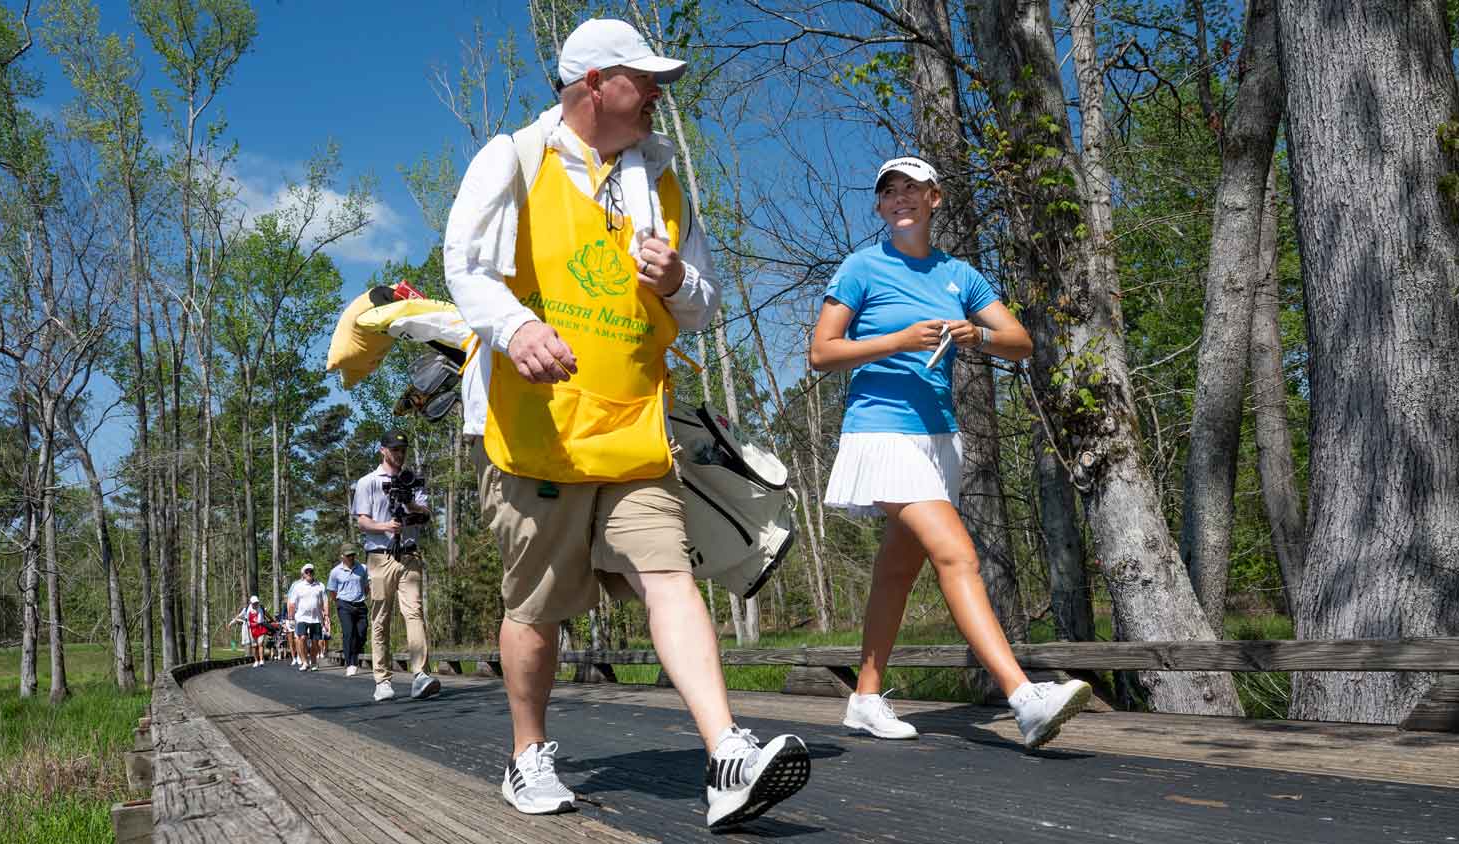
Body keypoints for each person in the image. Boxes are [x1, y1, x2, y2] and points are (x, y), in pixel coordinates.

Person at [443, 18, 809, 830]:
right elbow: (462, 264)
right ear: (592, 84)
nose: (657, 96)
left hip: (635, 431)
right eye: (644, 81)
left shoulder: (662, 181)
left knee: (667, 577)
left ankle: (727, 755)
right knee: (536, 609)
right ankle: (527, 755)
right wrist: (517, 329)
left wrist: (679, 278)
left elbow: (704, 306)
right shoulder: (514, 157)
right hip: (540, 434)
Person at [810, 155, 1092, 749]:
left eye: (912, 188)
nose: (900, 198)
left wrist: (976, 334)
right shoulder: (861, 267)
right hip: (881, 431)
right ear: (881, 206)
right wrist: (897, 340)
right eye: (889, 191)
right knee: (957, 553)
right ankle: (1023, 696)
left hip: (939, 438)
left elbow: (1019, 341)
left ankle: (864, 697)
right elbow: (822, 352)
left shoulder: (959, 275)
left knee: (896, 571)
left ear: (935, 199)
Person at [351, 429, 441, 702]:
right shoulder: (368, 482)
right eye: (394, 450)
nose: (399, 454)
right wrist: (385, 526)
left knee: (414, 613)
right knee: (381, 618)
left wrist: (410, 503)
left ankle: (420, 675)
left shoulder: (412, 480)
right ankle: (382, 680)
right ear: (382, 450)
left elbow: (425, 513)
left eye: (402, 450)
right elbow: (362, 521)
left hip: (410, 555)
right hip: (379, 556)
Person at [327, 542, 370, 677]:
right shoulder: (335, 572)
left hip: (360, 603)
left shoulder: (362, 568)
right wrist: (339, 603)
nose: (351, 557)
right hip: (344, 604)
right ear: (342, 556)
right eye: (348, 555)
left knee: (362, 633)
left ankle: (355, 655)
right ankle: (351, 662)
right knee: (349, 633)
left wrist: (362, 596)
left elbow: (366, 586)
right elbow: (332, 591)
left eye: (353, 554)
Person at [287, 563, 330, 672]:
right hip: (301, 617)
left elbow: (325, 601)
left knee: (316, 641)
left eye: (311, 571)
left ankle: (314, 661)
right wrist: (291, 618)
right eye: (307, 572)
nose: (309, 573)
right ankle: (305, 661)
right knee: (302, 638)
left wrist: (326, 615)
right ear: (303, 574)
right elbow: (292, 603)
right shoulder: (298, 587)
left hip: (316, 618)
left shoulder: (320, 585)